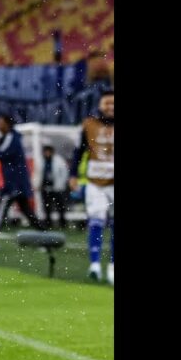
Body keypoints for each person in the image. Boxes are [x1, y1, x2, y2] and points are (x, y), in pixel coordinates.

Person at [0, 114, 42, 251]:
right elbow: (1, 155)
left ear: (7, 124)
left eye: (0, 122)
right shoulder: (8, 138)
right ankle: (46, 238)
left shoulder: (11, 137)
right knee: (27, 212)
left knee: (0, 209)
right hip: (17, 182)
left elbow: (0, 154)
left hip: (14, 183)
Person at [70, 90, 114, 285]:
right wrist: (73, 174)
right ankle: (95, 264)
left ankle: (112, 266)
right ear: (100, 105)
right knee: (96, 221)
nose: (110, 107)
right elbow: (78, 150)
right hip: (96, 182)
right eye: (107, 103)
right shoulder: (89, 124)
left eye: (113, 103)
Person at [36, 144, 70, 229]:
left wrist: (61, 184)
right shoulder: (41, 161)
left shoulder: (59, 160)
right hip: (45, 188)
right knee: (47, 207)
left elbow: (64, 173)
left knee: (60, 206)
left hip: (57, 188)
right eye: (45, 152)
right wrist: (38, 184)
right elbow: (38, 174)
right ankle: (48, 224)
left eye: (48, 152)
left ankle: (63, 224)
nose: (47, 153)